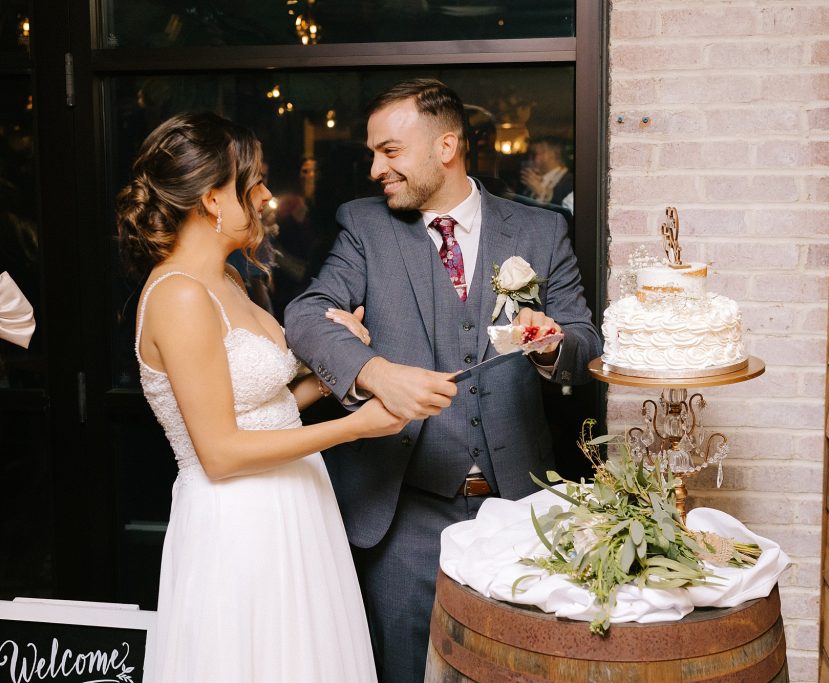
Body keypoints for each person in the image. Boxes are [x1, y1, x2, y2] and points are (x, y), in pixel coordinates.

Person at [284, 79, 601, 683]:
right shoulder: (365, 228)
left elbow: (586, 341)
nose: (377, 168)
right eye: (374, 153)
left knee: (513, 669)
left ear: (447, 145)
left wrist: (551, 343)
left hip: (518, 512)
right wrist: (374, 372)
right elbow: (305, 313)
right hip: (404, 514)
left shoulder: (540, 232)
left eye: (391, 151)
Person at [116, 111, 406, 682]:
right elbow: (220, 453)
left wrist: (327, 379)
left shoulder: (229, 279)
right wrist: (358, 425)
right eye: (254, 184)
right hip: (238, 525)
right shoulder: (178, 296)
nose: (268, 196)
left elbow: (264, 411)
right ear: (211, 201)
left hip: (293, 507)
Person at [519, 136, 574, 208]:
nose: (531, 159)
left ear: (554, 154)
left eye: (536, 154)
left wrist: (541, 193)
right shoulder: (532, 180)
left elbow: (566, 212)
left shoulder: (571, 182)